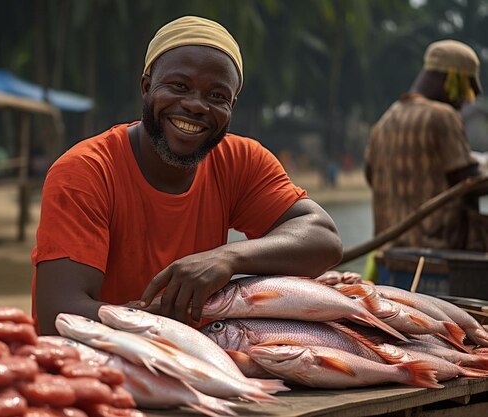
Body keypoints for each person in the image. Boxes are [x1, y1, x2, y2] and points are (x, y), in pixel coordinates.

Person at [32, 16, 343, 335]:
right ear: (147, 86)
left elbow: (323, 238)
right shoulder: (86, 170)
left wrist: (227, 258)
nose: (196, 106)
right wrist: (159, 319)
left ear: (232, 106)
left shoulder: (241, 160)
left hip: (200, 360)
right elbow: (58, 313)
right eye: (179, 86)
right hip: (100, 369)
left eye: (217, 96)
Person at [365, 39, 487, 252]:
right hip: (441, 254)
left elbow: (370, 175)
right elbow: (469, 182)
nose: (463, 102)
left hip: (390, 255)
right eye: (465, 91)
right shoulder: (442, 116)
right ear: (450, 79)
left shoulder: (383, 123)